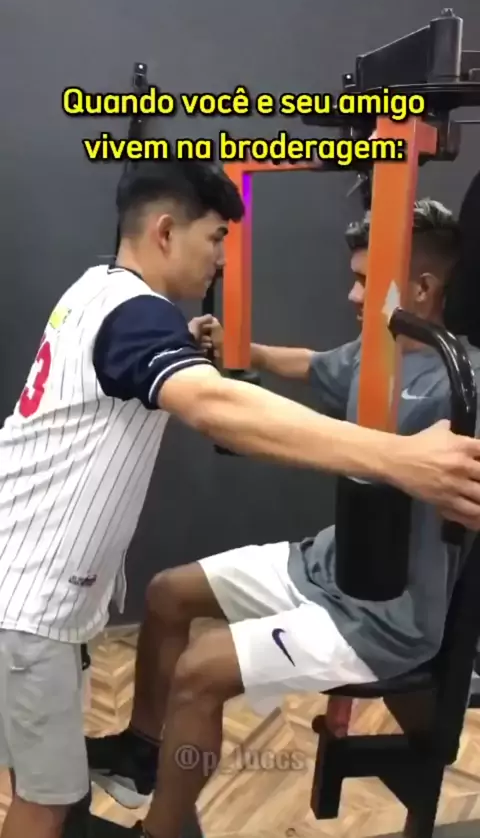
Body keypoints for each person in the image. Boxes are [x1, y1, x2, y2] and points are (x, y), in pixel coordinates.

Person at [0, 166, 478, 838]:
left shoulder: (94, 287)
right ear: (166, 233)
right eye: (216, 238)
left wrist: (237, 352)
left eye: (365, 282)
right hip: (45, 597)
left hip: (386, 613)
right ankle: (144, 754)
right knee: (55, 781)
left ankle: (159, 817)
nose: (221, 258)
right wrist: (401, 458)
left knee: (190, 656)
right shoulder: (140, 315)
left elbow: (254, 388)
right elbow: (230, 398)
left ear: (421, 291)